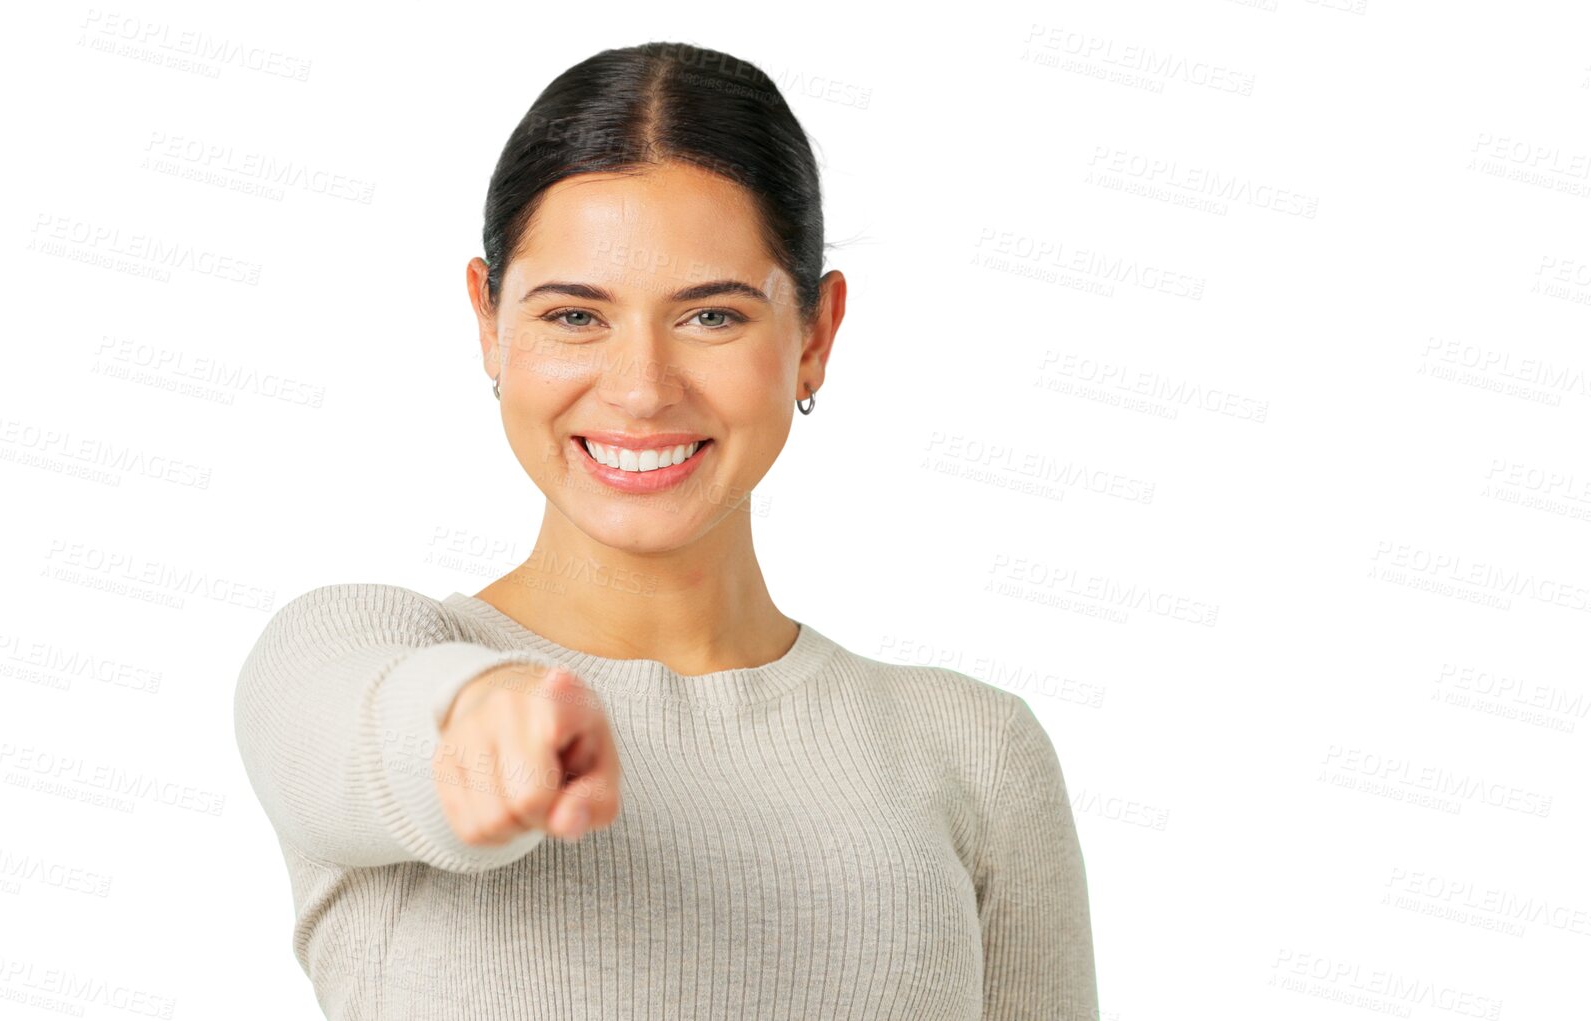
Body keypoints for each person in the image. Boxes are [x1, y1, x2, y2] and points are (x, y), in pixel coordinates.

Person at [234, 40, 1097, 1020]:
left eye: (711, 318)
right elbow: (358, 734)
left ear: (813, 335)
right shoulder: (359, 651)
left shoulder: (970, 751)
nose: (641, 389)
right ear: (487, 320)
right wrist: (477, 719)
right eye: (572, 316)